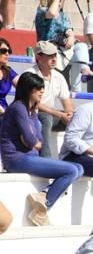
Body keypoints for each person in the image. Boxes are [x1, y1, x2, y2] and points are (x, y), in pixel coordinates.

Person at [0, 72, 83, 225]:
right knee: (71, 170)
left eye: (42, 88)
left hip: (30, 156)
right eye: (38, 88)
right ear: (28, 90)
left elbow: (39, 141)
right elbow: (33, 140)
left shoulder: (32, 110)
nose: (42, 91)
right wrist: (32, 142)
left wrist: (32, 142)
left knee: (79, 168)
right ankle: (44, 206)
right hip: (16, 159)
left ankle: (43, 196)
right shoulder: (18, 108)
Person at [24, 40, 73, 159]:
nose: (54, 59)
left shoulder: (58, 76)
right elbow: (35, 104)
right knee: (46, 118)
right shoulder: (29, 75)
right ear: (39, 57)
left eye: (55, 55)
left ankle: (74, 157)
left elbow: (67, 102)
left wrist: (69, 115)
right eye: (50, 56)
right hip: (31, 115)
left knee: (79, 119)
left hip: (51, 115)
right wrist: (60, 115)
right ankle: (46, 158)